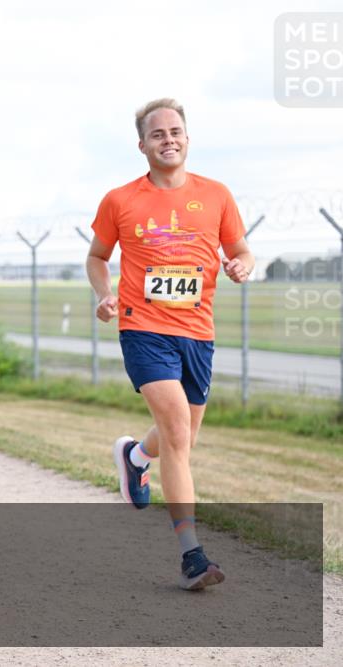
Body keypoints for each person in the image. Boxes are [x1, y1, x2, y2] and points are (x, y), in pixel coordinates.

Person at [86, 98, 254, 591]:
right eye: (157, 134)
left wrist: (242, 264)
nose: (168, 139)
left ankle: (136, 457)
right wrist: (104, 293)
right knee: (178, 432)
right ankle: (192, 556)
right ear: (142, 145)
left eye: (175, 131)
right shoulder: (120, 200)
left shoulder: (216, 195)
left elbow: (239, 249)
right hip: (143, 327)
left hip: (198, 332)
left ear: (187, 137)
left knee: (182, 437)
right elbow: (97, 256)